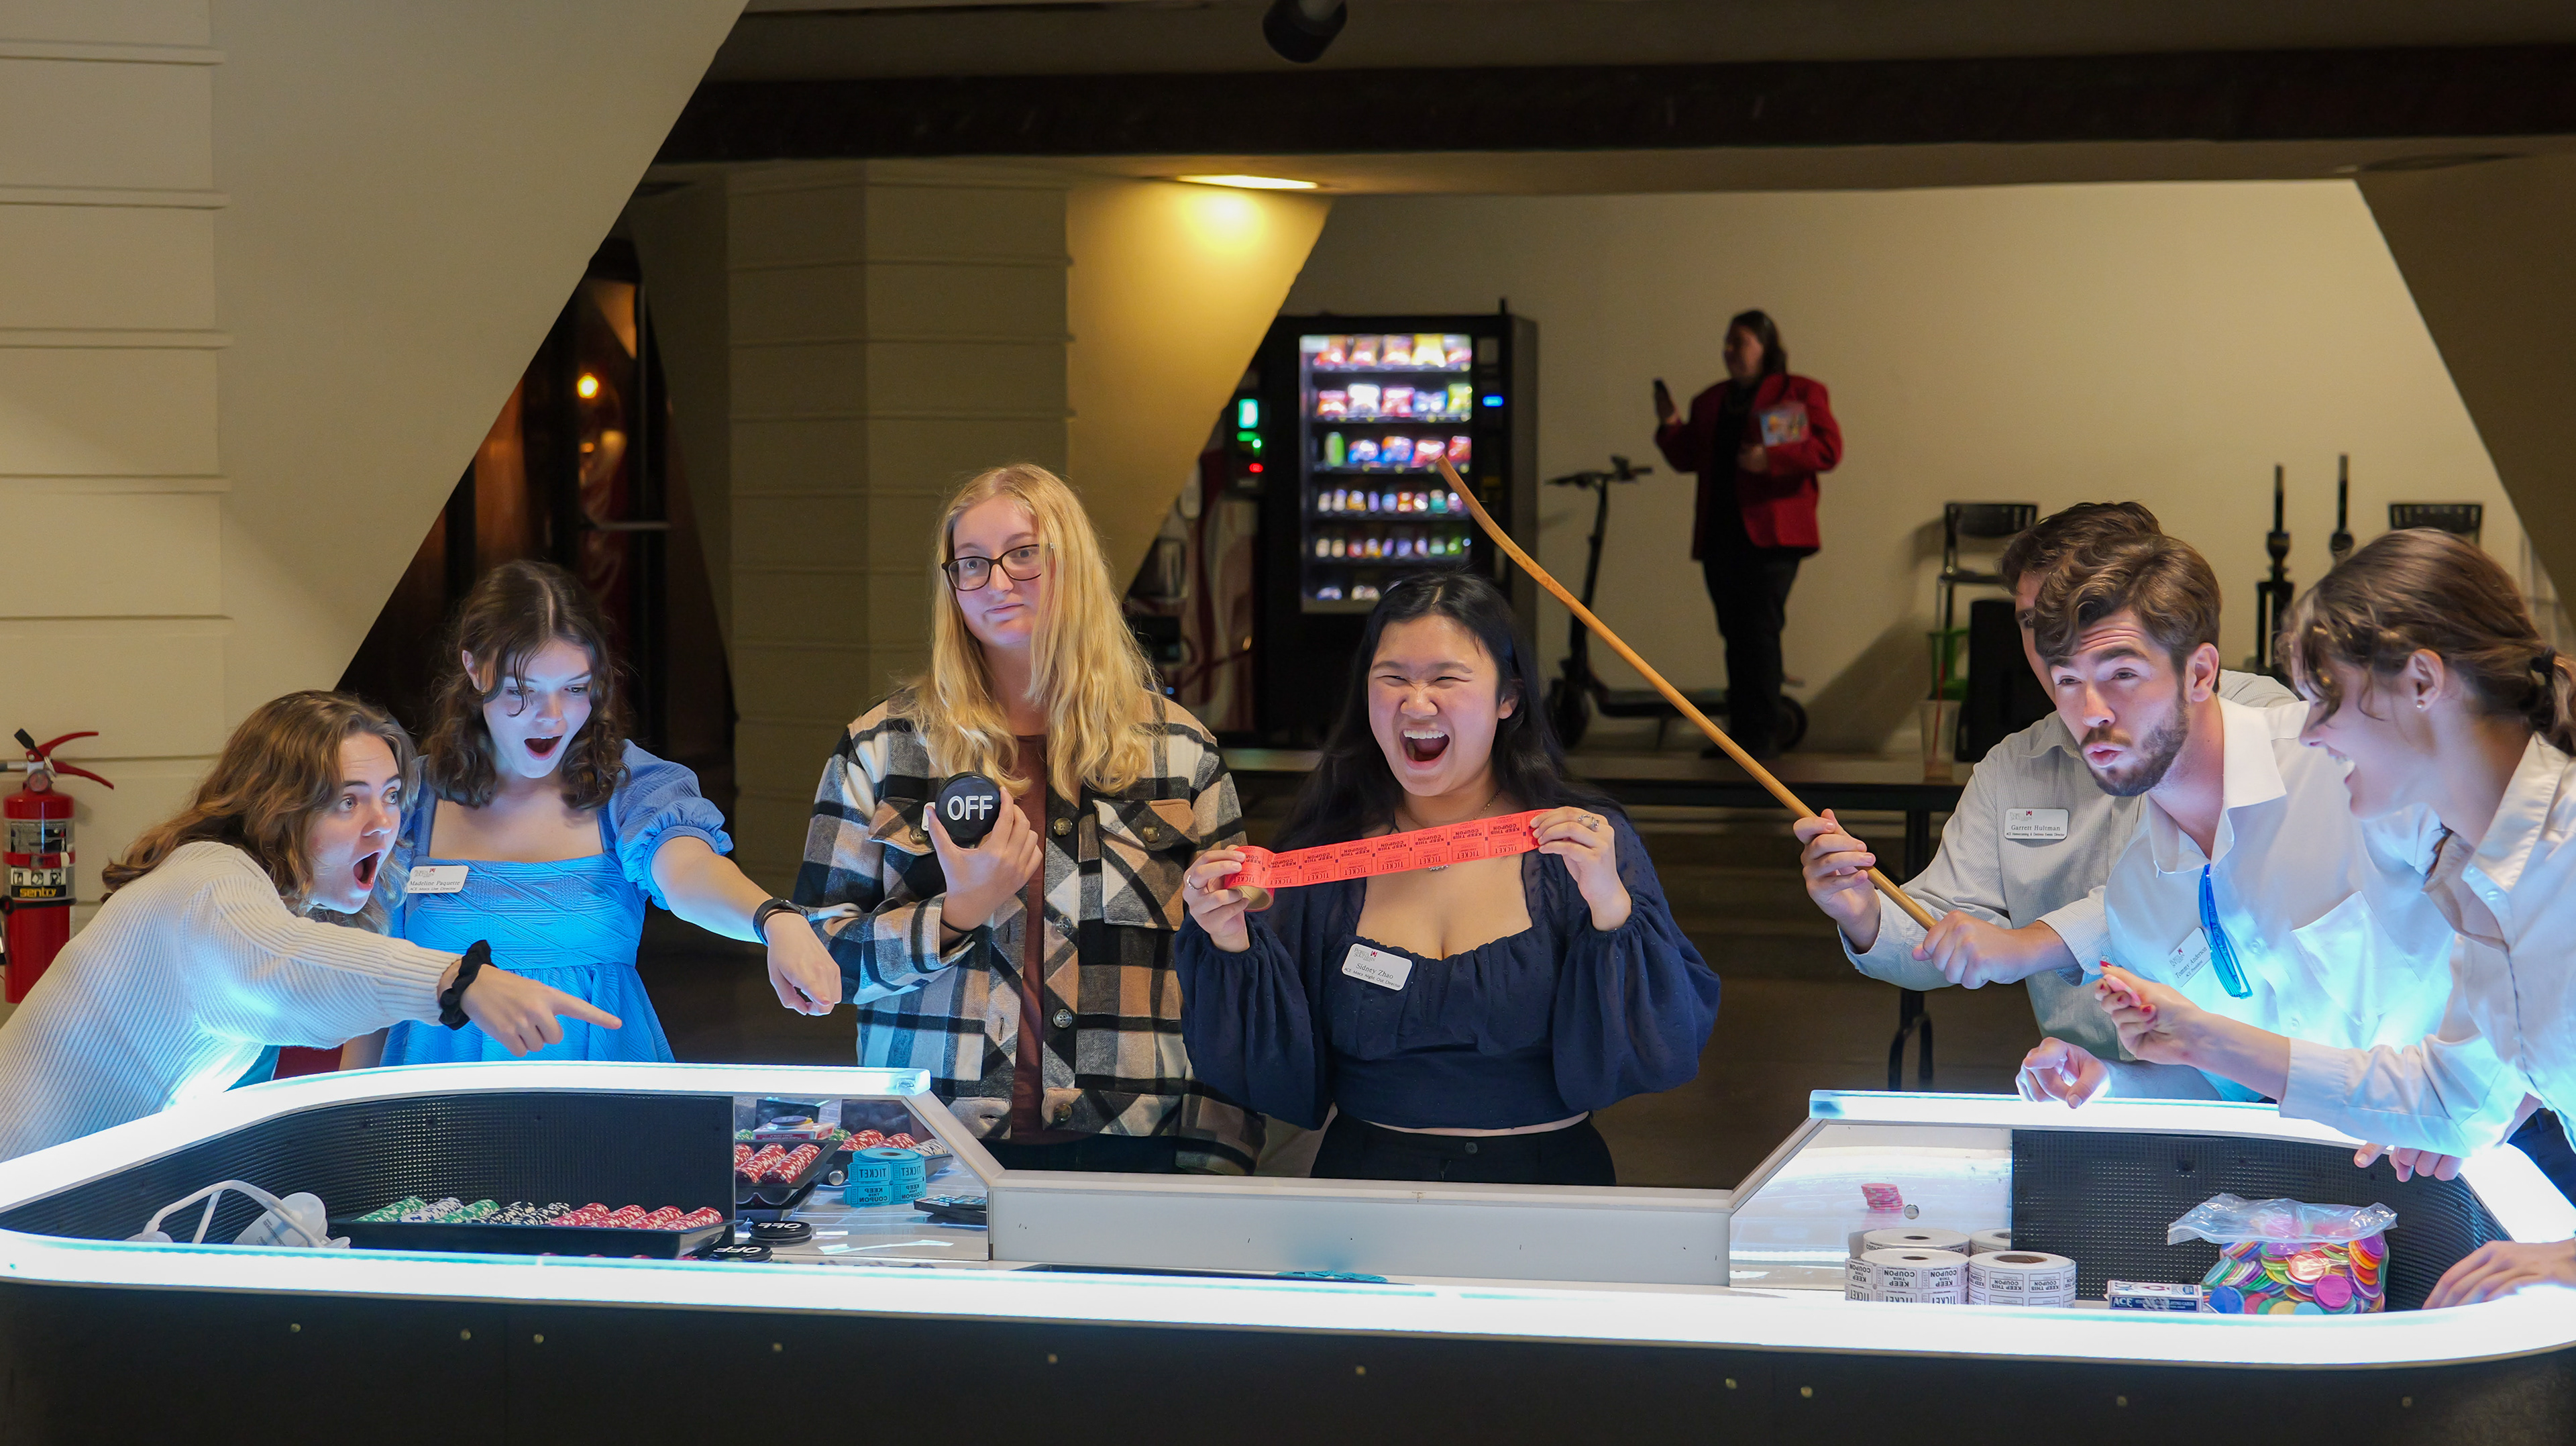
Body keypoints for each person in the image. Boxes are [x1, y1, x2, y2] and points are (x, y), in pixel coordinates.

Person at [2090, 530, 2576, 1306]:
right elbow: (2453, 1101)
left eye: (2327, 698)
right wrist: (2202, 1037)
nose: (2310, 730)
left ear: (2423, 681)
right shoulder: (2482, 877)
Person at [1175, 572, 1721, 1186]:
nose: (1416, 703)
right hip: (1364, 1190)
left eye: (1446, 678)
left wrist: (1609, 904)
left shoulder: (1582, 844)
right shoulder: (1322, 853)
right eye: (1393, 678)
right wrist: (1227, 938)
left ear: (1509, 698)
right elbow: (1265, 1066)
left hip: (1549, 1190)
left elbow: (1662, 1040)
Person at [795, 464, 1258, 1174]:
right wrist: (956, 913)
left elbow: (1228, 974)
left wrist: (1217, 1158)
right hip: (928, 1142)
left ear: (1072, 562)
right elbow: (817, 960)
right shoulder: (884, 748)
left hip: (1134, 1144)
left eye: (1023, 554)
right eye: (972, 563)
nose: (997, 582)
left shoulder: (1178, 752)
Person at [1794, 503, 2293, 1092]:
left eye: (2121, 670)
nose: (2052, 642)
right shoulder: (2018, 768)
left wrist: (2029, 945)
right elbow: (1947, 926)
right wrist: (1864, 911)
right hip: (2118, 1090)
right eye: (2034, 623)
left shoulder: (2269, 729)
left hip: (2278, 1096)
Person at [0, 692, 615, 1159]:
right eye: (347, 801)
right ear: (277, 806)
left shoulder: (249, 888)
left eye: (391, 795)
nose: (383, 823)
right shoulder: (211, 882)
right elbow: (285, 965)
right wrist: (456, 981)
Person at [2004, 531, 2455, 1107]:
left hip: (2492, 1127)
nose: (2091, 712)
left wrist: (2478, 1105)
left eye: (2122, 674)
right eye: (2069, 680)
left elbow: (2528, 923)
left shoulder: (2344, 762)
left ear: (2200, 673)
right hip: (2318, 1158)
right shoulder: (2135, 897)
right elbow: (2221, 1087)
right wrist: (2114, 1082)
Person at [350, 560, 841, 1069]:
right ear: (475, 670)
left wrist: (773, 919)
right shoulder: (408, 800)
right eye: (522, 691)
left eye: (575, 688)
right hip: (439, 1101)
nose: (552, 717)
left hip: (598, 1097)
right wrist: (344, 1110)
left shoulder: (631, 786)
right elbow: (369, 982)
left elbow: (689, 870)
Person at [1653, 309, 1842, 758]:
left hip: (1773, 536)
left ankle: (1760, 737)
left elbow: (1827, 449)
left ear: (1766, 345)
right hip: (1721, 534)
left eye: (1739, 341)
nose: (1729, 350)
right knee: (1735, 635)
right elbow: (1688, 457)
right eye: (1727, 341)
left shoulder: (1797, 392)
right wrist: (1670, 425)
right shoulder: (1710, 400)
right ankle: (1742, 737)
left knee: (1759, 630)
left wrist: (1770, 460)